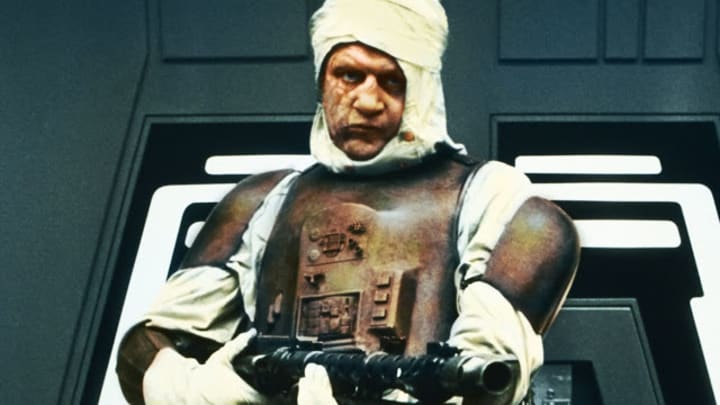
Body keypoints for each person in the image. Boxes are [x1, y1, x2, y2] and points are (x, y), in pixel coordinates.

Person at [115, 0, 579, 404]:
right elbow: (142, 351)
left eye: (391, 80)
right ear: (322, 81)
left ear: (421, 88)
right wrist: (197, 390)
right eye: (349, 76)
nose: (368, 101)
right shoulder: (262, 202)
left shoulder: (494, 198)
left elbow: (494, 375)